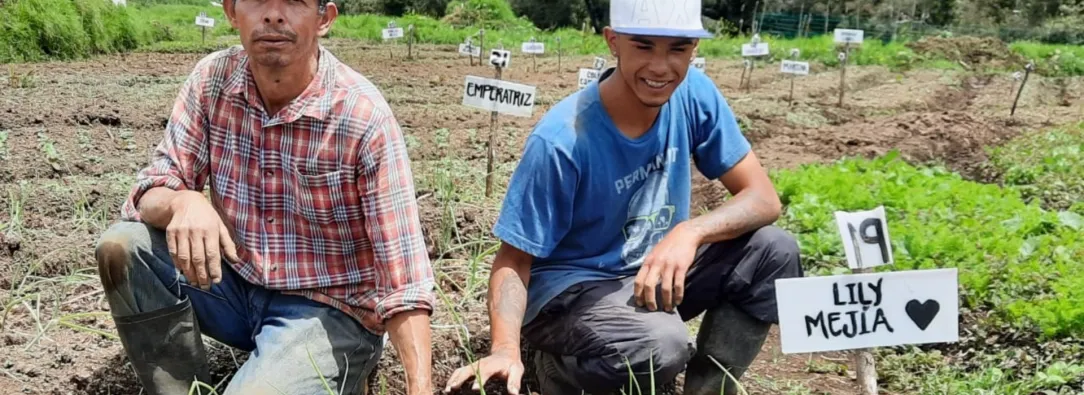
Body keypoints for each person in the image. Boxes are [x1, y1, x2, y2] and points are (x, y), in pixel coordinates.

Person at [444, 1, 804, 394]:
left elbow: (764, 198)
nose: (661, 67)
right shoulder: (563, 140)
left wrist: (690, 232)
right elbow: (513, 260)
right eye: (644, 46)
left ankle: (708, 390)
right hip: (571, 293)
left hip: (648, 275)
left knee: (774, 250)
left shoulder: (694, 94)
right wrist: (505, 350)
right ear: (613, 42)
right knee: (662, 344)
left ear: (694, 50)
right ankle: (557, 372)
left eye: (678, 49)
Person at [94, 1, 435, 394]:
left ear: (324, 19)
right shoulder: (212, 80)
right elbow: (148, 193)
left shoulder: (362, 116)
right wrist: (183, 201)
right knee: (124, 246)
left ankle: (333, 369)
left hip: (329, 310)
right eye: (257, 0)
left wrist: (420, 386)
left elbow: (404, 276)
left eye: (294, 2)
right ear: (231, 12)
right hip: (236, 284)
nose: (273, 15)